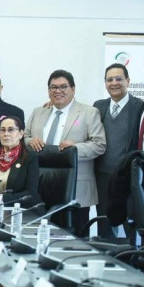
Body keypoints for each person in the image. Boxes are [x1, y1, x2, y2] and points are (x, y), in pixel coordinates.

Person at [24, 69, 106, 236]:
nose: (58, 91)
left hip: (76, 188)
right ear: (48, 91)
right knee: (39, 236)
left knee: (76, 240)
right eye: (53, 87)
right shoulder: (38, 112)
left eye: (63, 87)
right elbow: (24, 137)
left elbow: (99, 145)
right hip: (41, 186)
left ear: (73, 89)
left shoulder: (88, 112)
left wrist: (75, 148)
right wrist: (30, 141)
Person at [93, 63, 142, 238]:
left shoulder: (140, 107)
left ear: (128, 81)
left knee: (131, 224)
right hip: (103, 175)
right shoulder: (98, 106)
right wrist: (53, 106)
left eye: (119, 79)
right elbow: (78, 121)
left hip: (128, 175)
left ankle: (133, 261)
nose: (114, 83)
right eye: (109, 79)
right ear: (105, 83)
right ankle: (106, 260)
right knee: (105, 224)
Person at [0, 116, 41, 208]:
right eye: (2, 130)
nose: (6, 134)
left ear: (21, 134)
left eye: (11, 130)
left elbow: (31, 194)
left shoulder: (30, 158)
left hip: (23, 210)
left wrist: (1, 198)